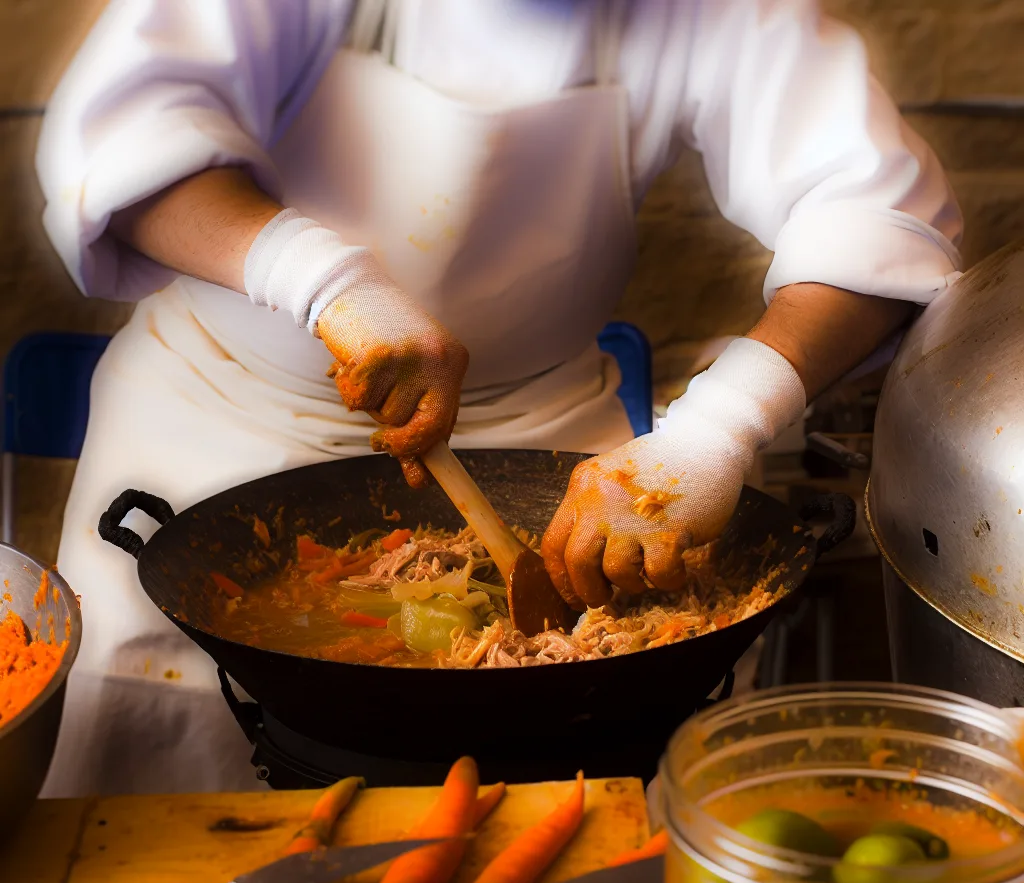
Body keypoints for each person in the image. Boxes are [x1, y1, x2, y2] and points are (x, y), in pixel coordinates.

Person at [35, 0, 962, 797]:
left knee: (588, 737)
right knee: (160, 755)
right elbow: (124, 142)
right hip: (215, 422)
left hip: (541, 444)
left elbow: (883, 221)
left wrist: (722, 425)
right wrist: (321, 278)